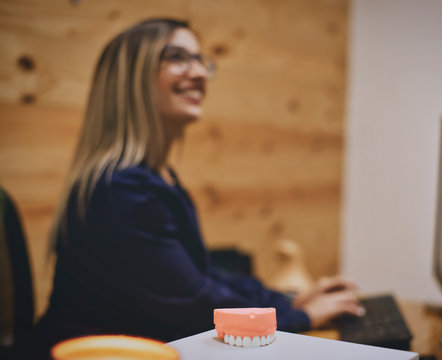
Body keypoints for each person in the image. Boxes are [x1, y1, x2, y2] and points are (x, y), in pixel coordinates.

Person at [35, 18, 362, 350]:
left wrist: (287, 301)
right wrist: (299, 317)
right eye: (177, 57)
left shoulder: (153, 180)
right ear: (130, 76)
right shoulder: (121, 191)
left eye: (200, 60)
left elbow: (202, 277)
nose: (200, 73)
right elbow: (192, 305)